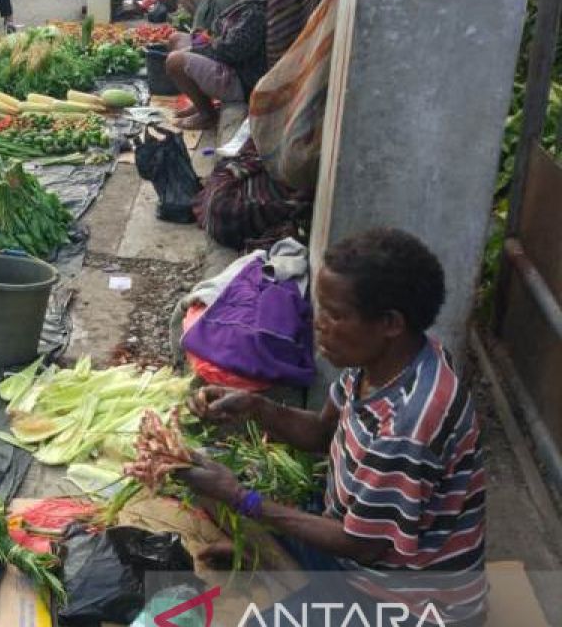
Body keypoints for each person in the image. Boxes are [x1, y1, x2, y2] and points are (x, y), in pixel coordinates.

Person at [180, 228, 486, 626]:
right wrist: (255, 407)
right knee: (204, 479)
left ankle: (295, 569)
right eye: (321, 309)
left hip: (404, 599)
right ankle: (280, 557)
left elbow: (362, 546)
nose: (318, 324)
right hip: (352, 545)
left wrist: (243, 499)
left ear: (390, 323)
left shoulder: (408, 425)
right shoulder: (383, 362)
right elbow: (324, 433)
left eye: (335, 314)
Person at [165, 0, 286, 131]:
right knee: (176, 39)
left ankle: (207, 115)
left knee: (175, 61)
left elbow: (230, 50)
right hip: (230, 63)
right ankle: (201, 104)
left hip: (242, 80)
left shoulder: (256, 13)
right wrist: (203, 40)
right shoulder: (249, 3)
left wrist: (198, 48)